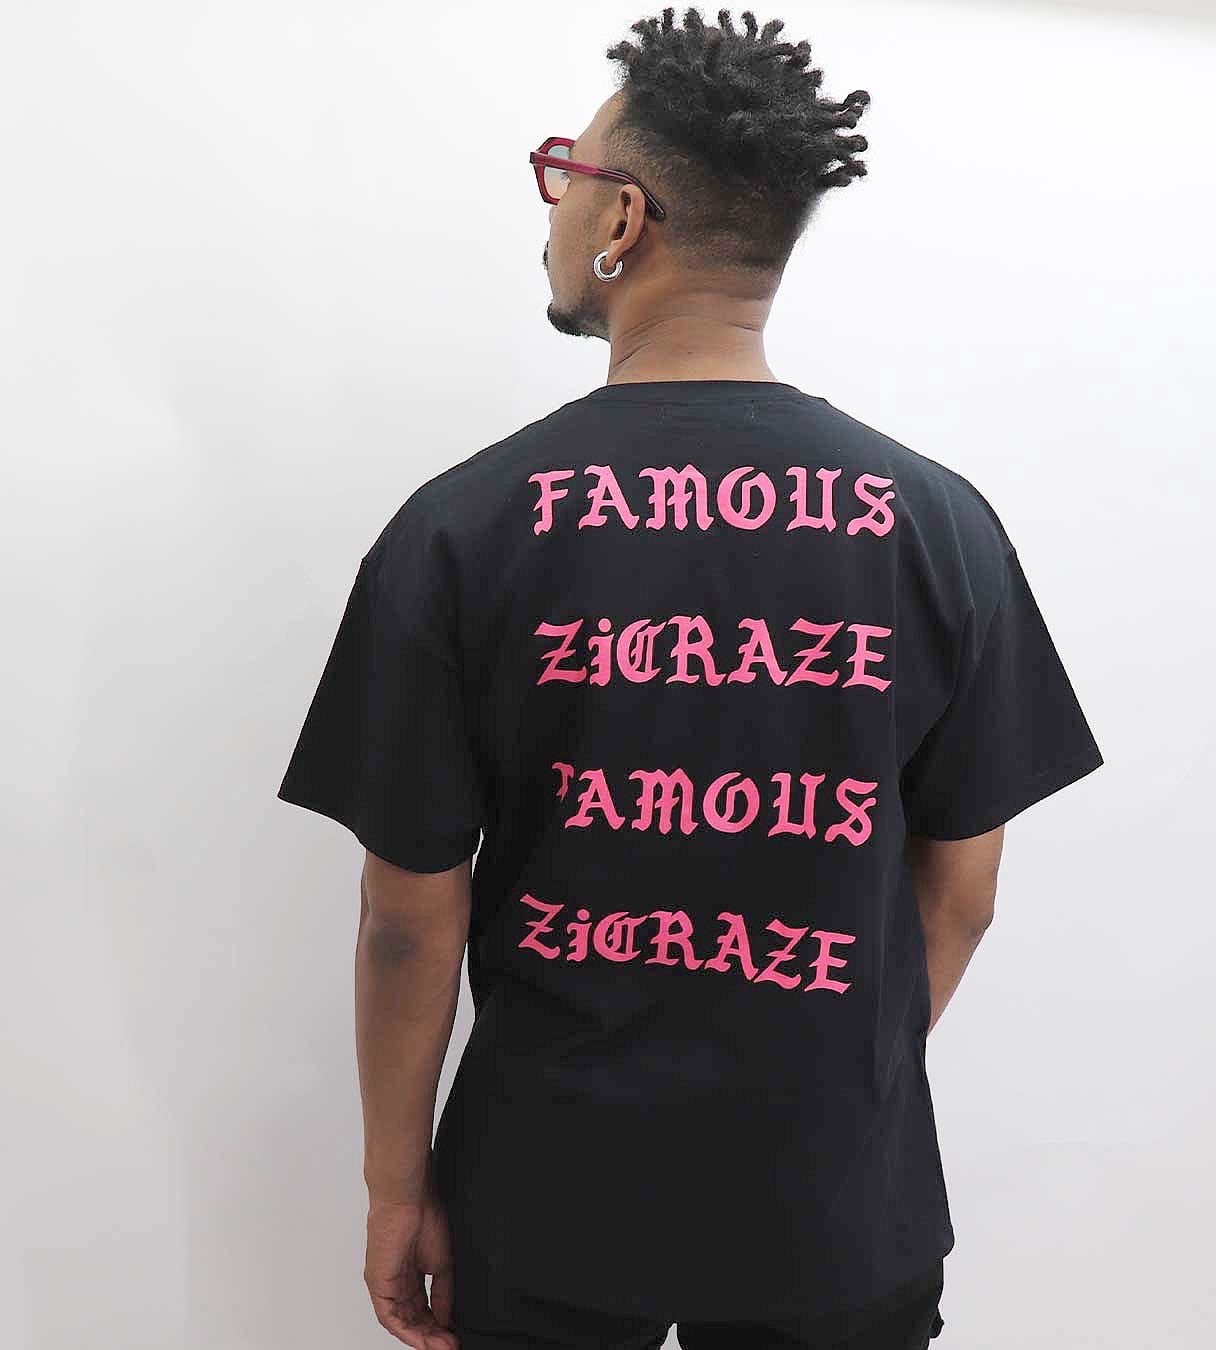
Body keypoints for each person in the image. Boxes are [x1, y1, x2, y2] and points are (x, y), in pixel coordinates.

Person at [276, 8, 1105, 1348]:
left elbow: (408, 922)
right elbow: (962, 895)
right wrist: (829, 1092)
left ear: (623, 219)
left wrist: (393, 1186)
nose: (550, 209)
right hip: (837, 1204)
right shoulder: (938, 525)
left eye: (567, 173)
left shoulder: (462, 527)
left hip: (543, 1195)